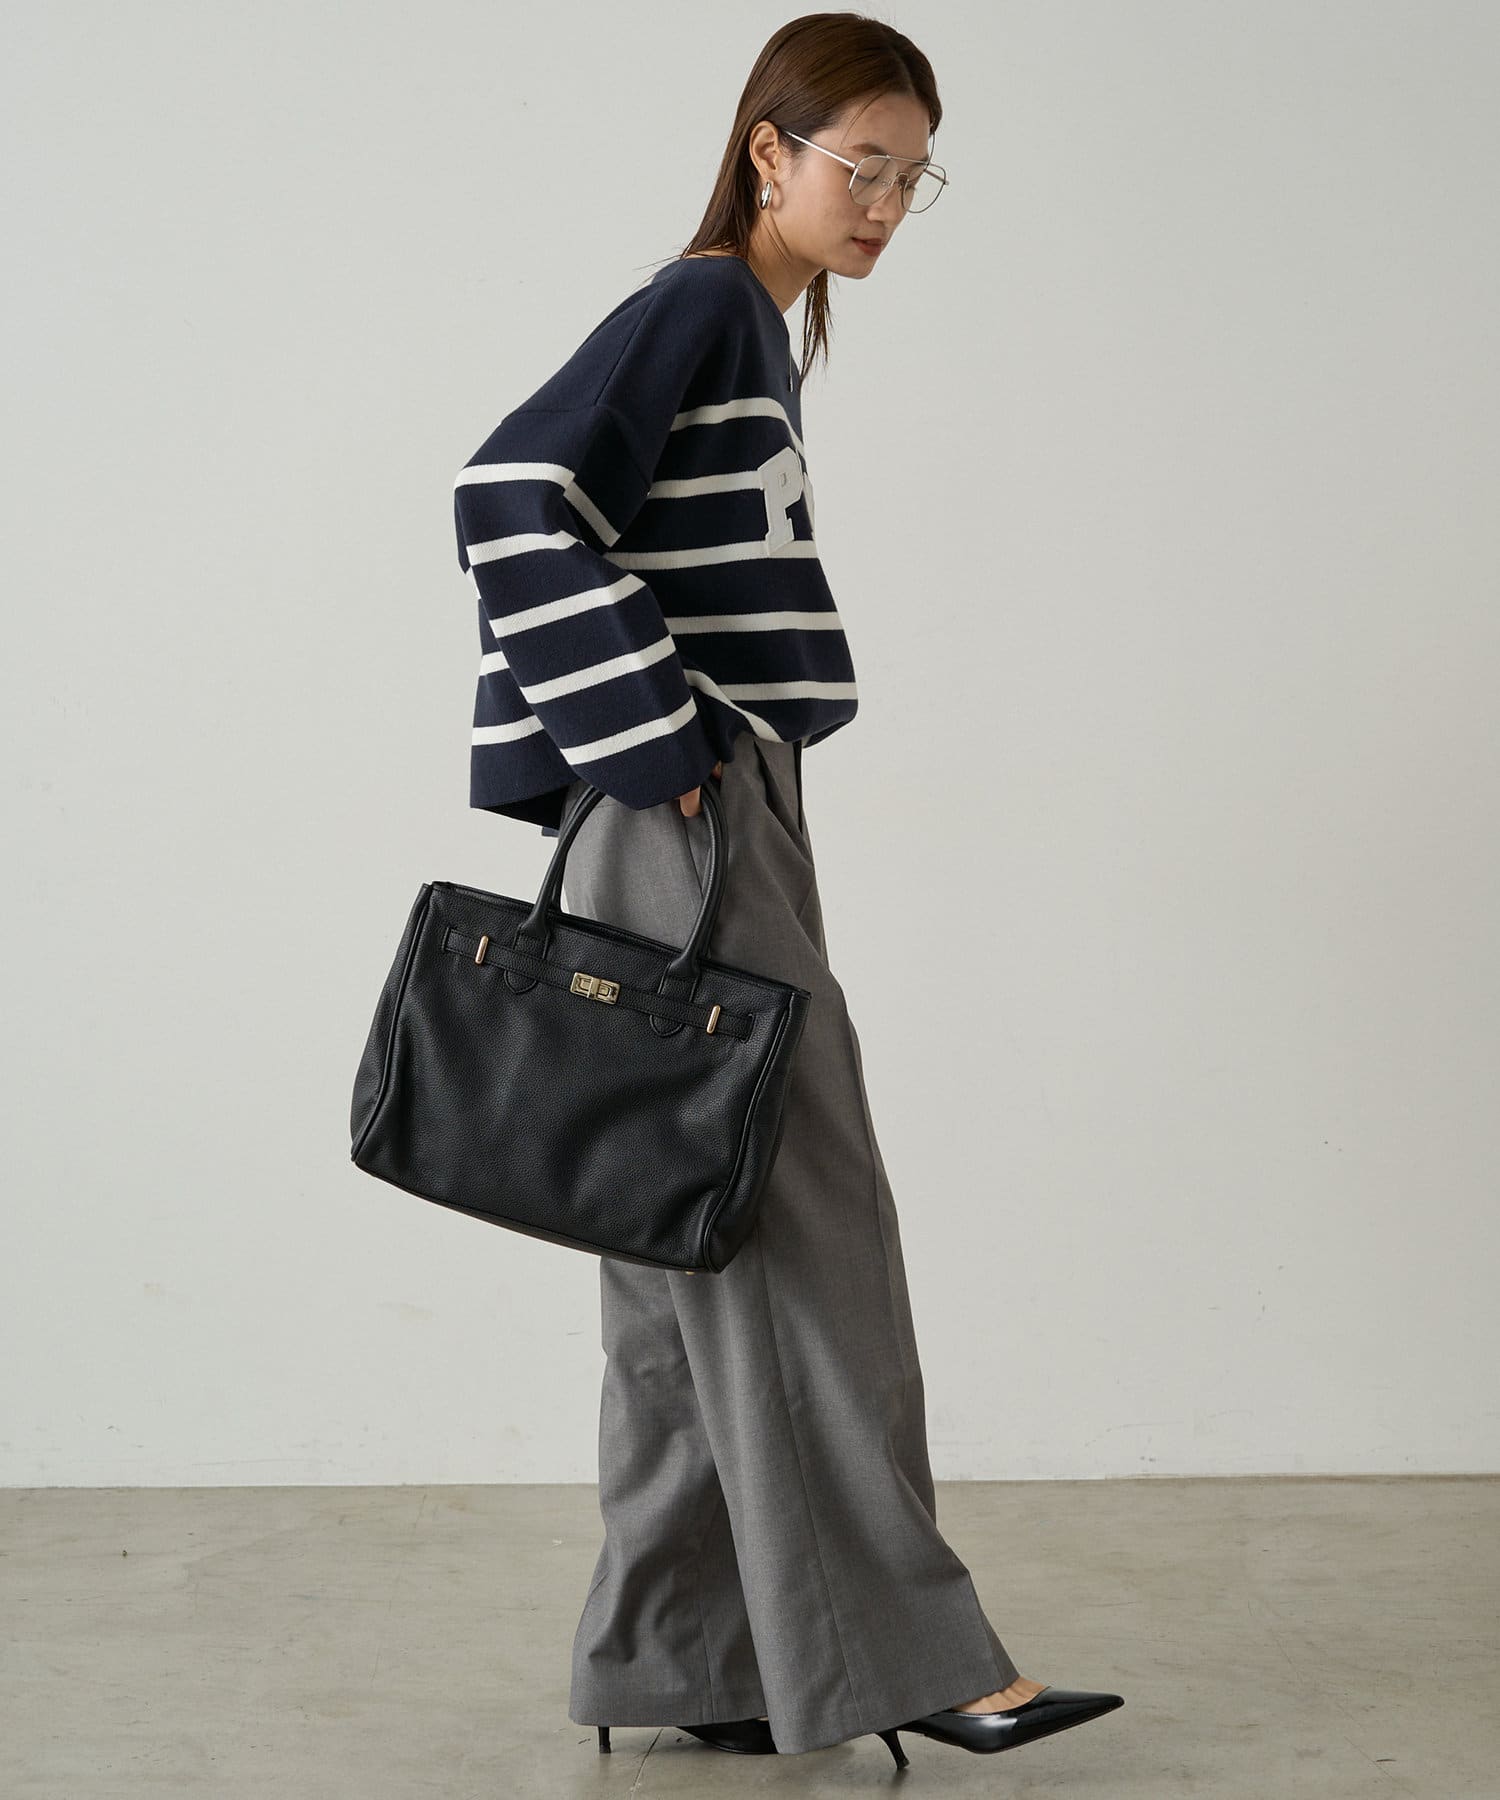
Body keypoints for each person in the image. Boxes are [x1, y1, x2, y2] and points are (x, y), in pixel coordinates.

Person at [450, 12, 1125, 1766]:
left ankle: (688, 1662)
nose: (887, 204)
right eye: (861, 166)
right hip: (688, 808)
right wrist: (653, 735)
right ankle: (907, 1658)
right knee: (802, 1221)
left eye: (914, 178)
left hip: (698, 804)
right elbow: (509, 491)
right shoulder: (700, 306)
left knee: (678, 1234)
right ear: (769, 151)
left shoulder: (751, 327)